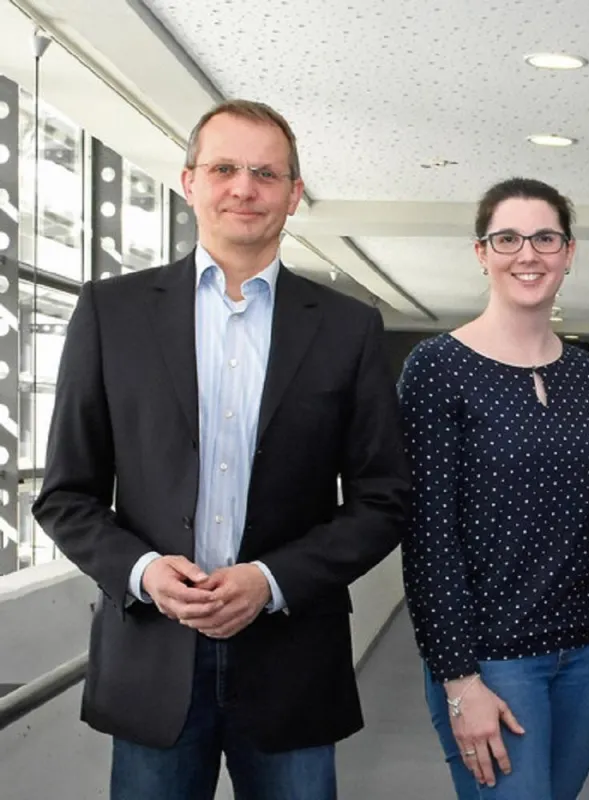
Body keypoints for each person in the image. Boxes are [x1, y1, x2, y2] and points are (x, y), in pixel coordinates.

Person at [32, 99, 410, 799]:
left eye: (267, 174)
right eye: (225, 168)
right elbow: (65, 495)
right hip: (152, 656)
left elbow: (384, 500)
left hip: (292, 657)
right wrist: (144, 571)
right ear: (189, 181)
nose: (245, 188)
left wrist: (270, 580)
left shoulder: (348, 328)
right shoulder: (110, 312)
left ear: (294, 196)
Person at [398, 177, 589, 799]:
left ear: (568, 252)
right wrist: (458, 678)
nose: (529, 254)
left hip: (583, 650)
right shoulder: (438, 366)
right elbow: (426, 534)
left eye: (545, 238)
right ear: (482, 252)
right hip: (494, 658)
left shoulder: (582, 373)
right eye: (508, 238)